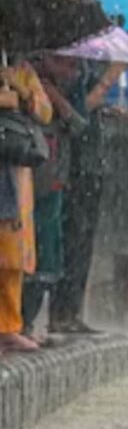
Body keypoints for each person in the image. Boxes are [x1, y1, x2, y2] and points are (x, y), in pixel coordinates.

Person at [50, 60, 126, 334]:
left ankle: (72, 310)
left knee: (84, 241)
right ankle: (61, 312)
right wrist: (110, 78)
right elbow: (77, 112)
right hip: (73, 168)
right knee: (72, 238)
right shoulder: (67, 71)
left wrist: (105, 110)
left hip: (92, 166)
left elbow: (90, 109)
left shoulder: (84, 68)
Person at [23, 54, 86, 340]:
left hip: (52, 183)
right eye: (65, 62)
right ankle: (20, 321)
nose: (72, 71)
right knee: (26, 255)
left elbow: (77, 125)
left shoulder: (62, 89)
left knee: (47, 255)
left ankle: (27, 321)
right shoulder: (23, 80)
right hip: (27, 182)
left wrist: (56, 98)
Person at [0, 60, 51, 352]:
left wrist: (18, 89)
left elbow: (45, 112)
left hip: (13, 167)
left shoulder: (21, 68)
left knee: (12, 254)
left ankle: (7, 325)